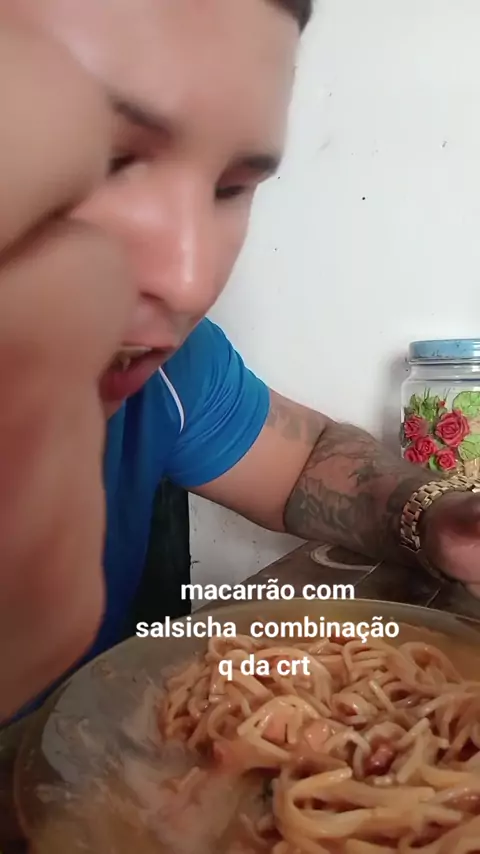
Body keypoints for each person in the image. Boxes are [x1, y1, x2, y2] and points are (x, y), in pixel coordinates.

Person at [1, 0, 480, 725]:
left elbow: (304, 461)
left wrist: (436, 517)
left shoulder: (163, 369)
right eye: (107, 163)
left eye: (230, 188)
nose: (191, 281)